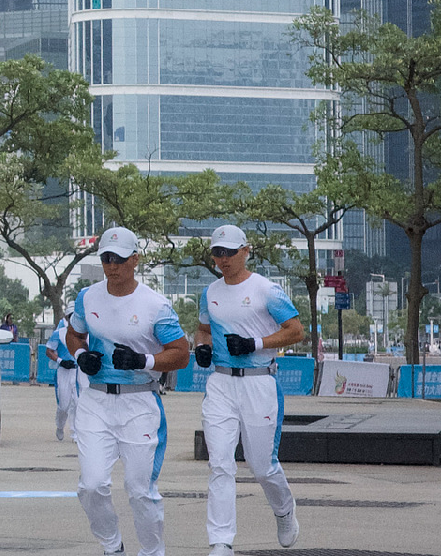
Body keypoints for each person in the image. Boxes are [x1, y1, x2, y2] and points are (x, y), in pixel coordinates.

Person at [67, 227, 190, 556]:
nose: (112, 265)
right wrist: (82, 357)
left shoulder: (155, 305)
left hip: (139, 403)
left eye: (119, 259)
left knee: (139, 492)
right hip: (95, 401)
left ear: (135, 259)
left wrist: (143, 360)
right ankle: (112, 546)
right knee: (90, 486)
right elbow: (74, 335)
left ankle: (152, 552)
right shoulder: (88, 297)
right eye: (106, 258)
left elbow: (181, 353)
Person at [193, 224, 303, 554]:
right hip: (221, 383)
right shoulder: (209, 292)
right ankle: (221, 541)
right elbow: (202, 329)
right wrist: (202, 347)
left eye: (229, 252)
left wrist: (255, 343)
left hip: (259, 382)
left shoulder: (267, 290)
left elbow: (296, 331)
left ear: (245, 251)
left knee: (261, 466)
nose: (223, 259)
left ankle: (284, 511)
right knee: (221, 463)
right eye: (217, 253)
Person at [45, 312, 80, 442]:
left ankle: (75, 433)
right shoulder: (59, 334)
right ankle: (60, 426)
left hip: (78, 372)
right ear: (67, 318)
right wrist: (61, 361)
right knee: (64, 406)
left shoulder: (84, 335)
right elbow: (48, 351)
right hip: (63, 372)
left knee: (78, 403)